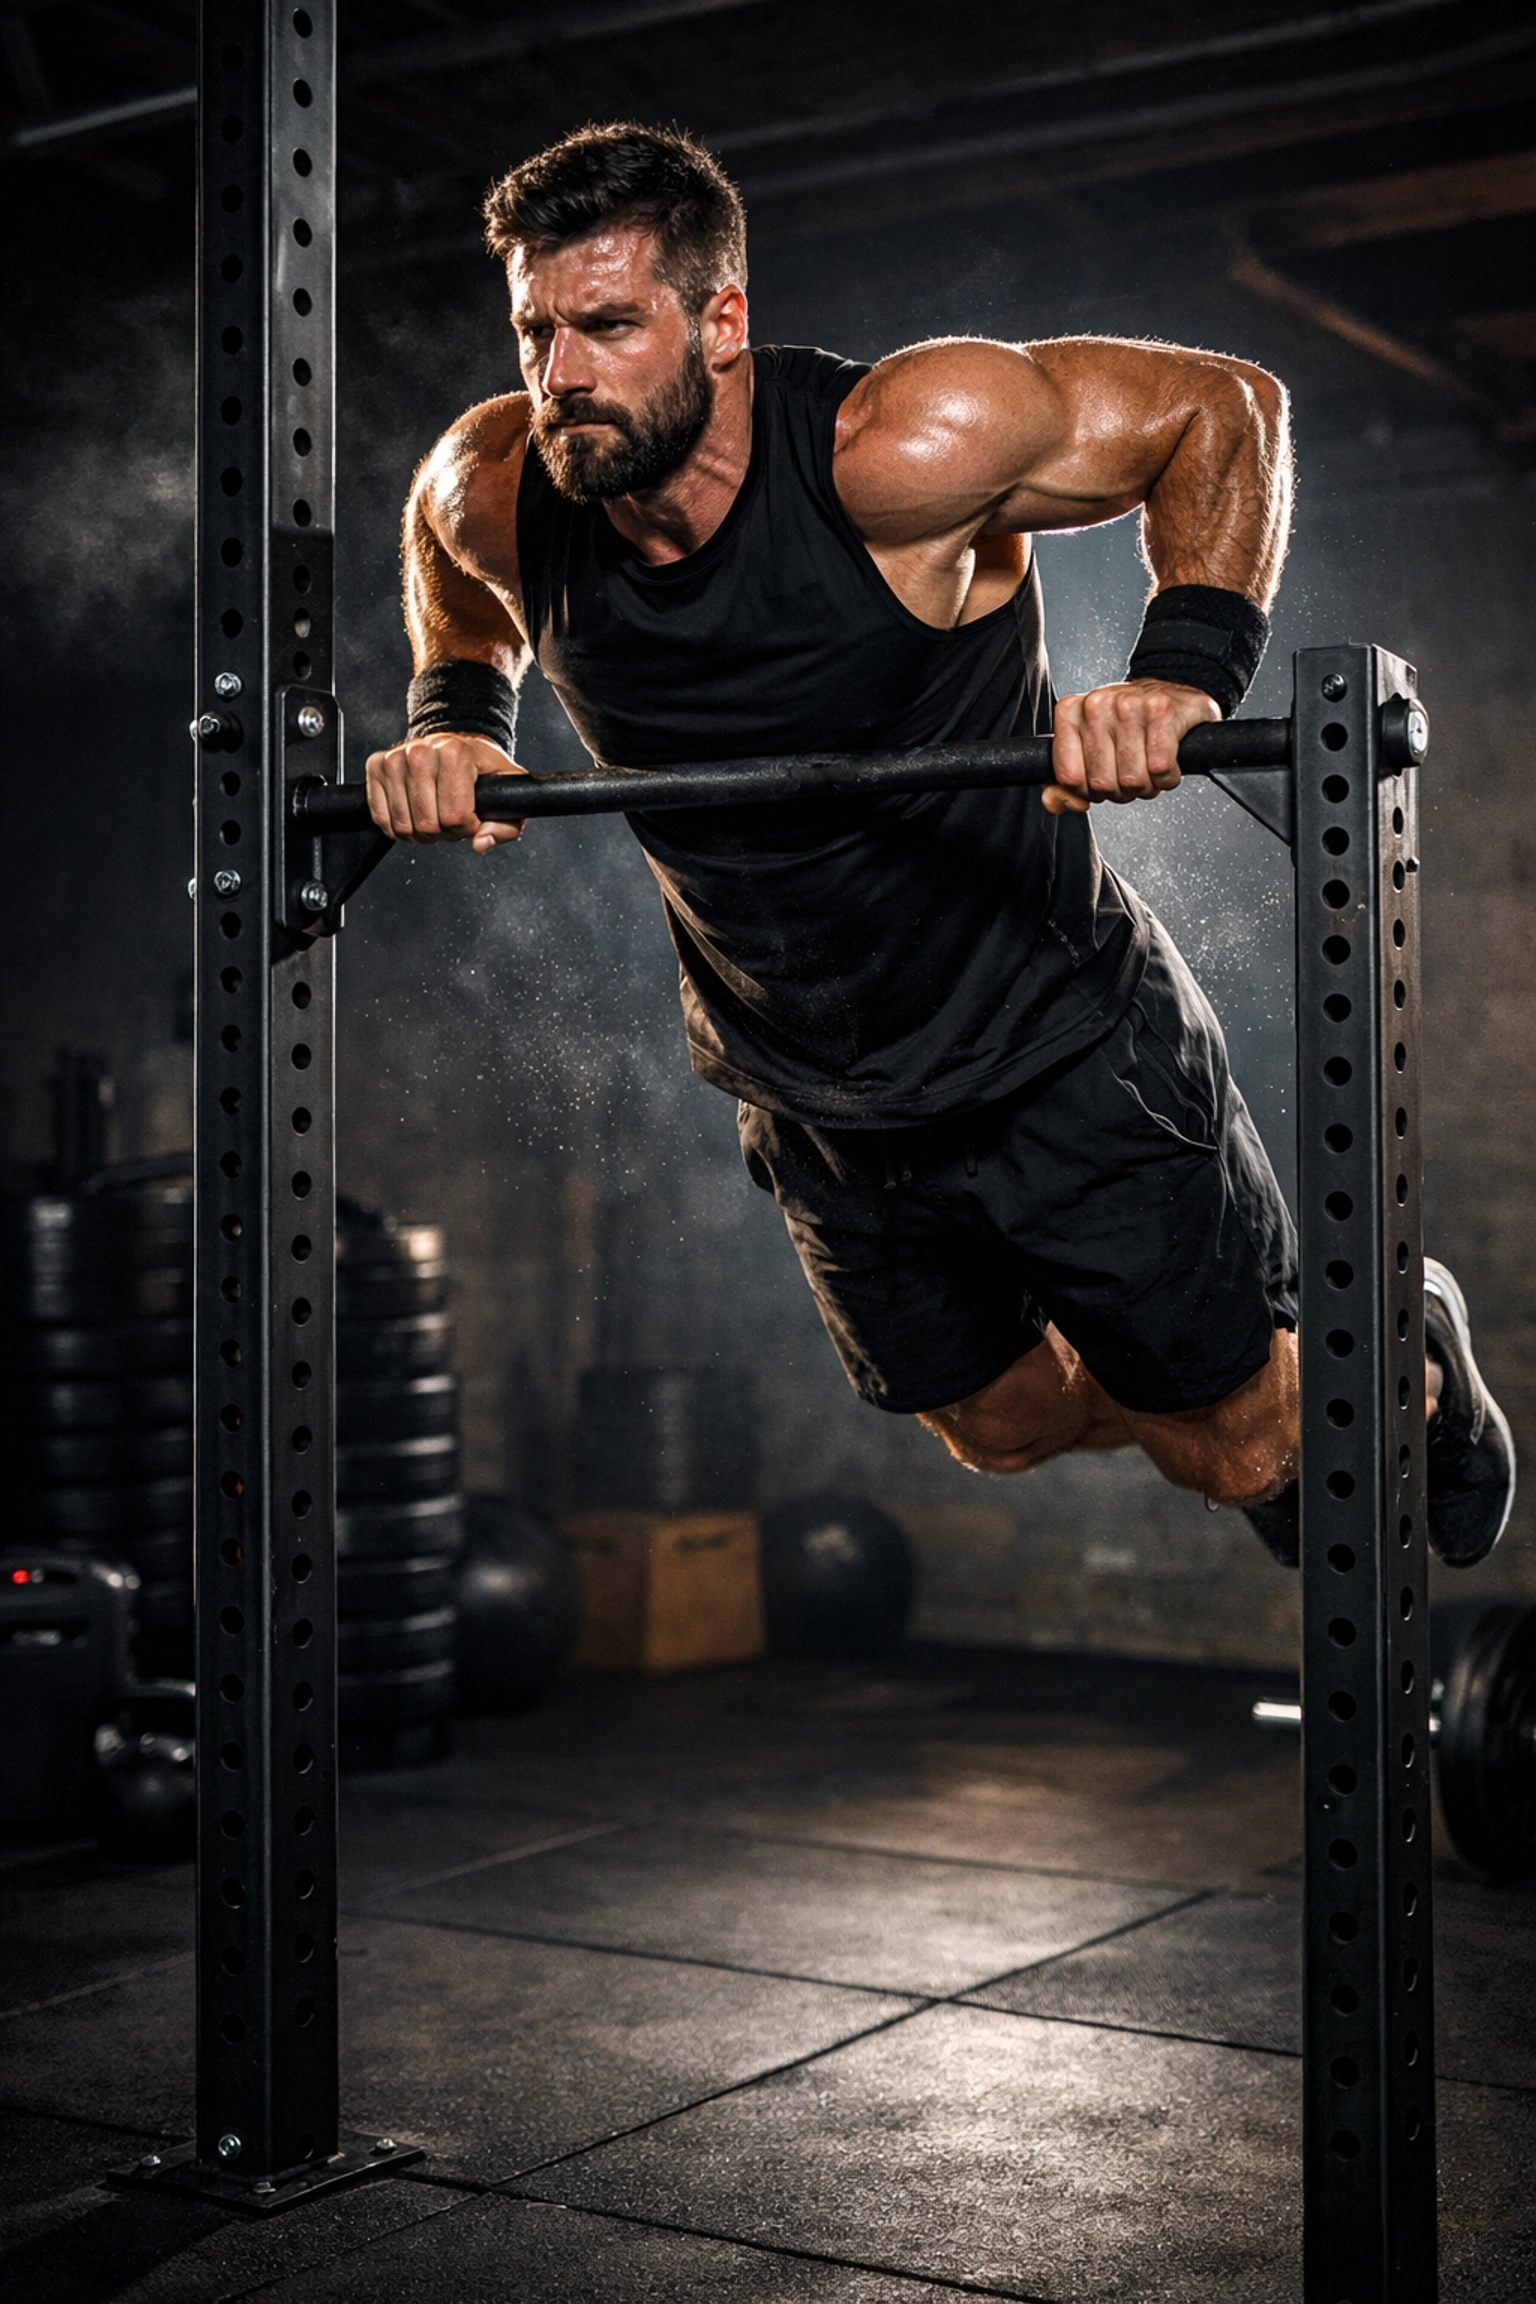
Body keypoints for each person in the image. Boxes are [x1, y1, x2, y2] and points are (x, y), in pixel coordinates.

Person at [365, 122, 1512, 1570]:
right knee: (1005, 1424)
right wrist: (460, 711)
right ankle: (1228, 1403)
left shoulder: (896, 451)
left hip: (1050, 1040)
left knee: (1235, 1448)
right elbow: (443, 549)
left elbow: (1224, 409)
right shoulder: (503, 484)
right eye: (537, 329)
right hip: (814, 1089)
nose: (562, 373)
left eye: (607, 324)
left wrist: (1184, 672)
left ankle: (1389, 1354)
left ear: (721, 322)